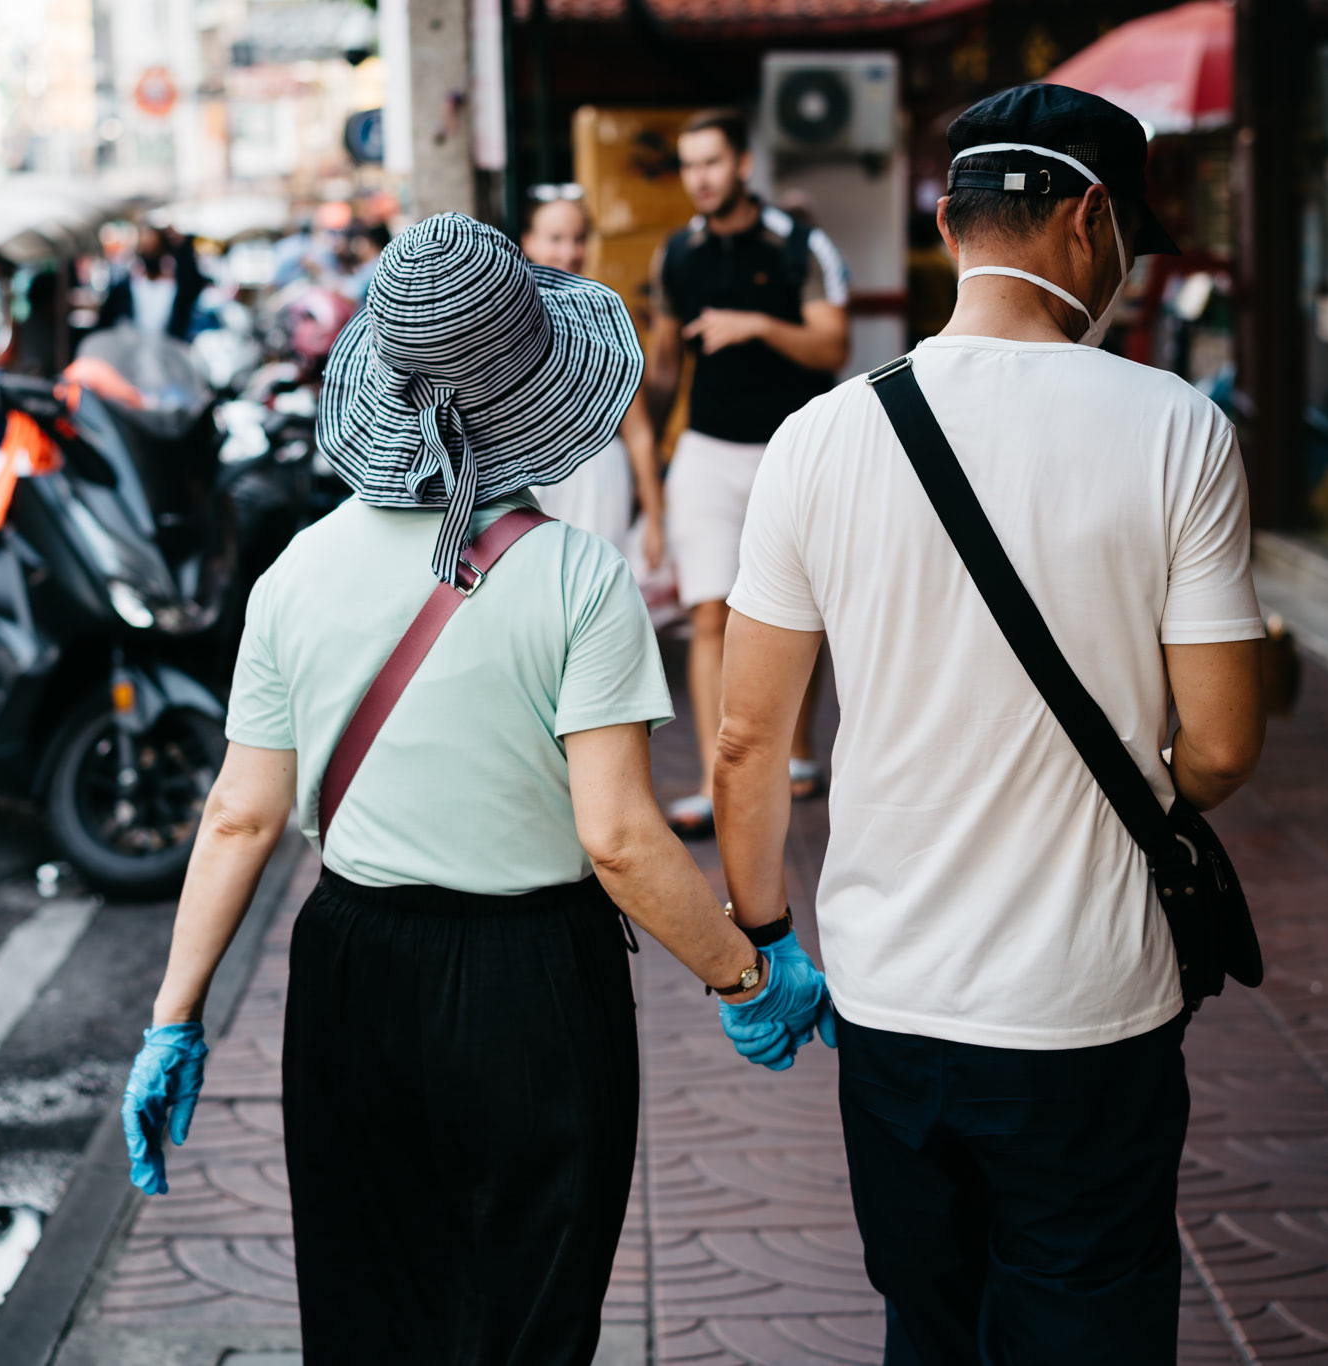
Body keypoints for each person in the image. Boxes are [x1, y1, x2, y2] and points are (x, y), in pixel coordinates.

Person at [119, 215, 833, 1363]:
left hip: (353, 969)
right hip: (538, 985)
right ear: (534, 388)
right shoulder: (576, 576)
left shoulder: (296, 572)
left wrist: (173, 1017)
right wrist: (746, 972)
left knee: (369, 1312)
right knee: (531, 1322)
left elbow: (241, 814)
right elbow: (618, 838)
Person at [712, 85, 1267, 1362]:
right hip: (1090, 1006)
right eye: (1126, 229)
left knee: (931, 1320)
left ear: (957, 224)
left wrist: (763, 945)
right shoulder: (1177, 429)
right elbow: (1225, 747)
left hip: (888, 999)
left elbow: (746, 739)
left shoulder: (818, 438)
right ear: (1085, 221)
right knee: (1088, 1322)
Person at [645, 109, 848, 835]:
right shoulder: (676, 255)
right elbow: (666, 363)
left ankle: (795, 750)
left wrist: (757, 325)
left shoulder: (800, 246)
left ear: (742, 164)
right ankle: (713, 778)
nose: (698, 176)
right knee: (710, 613)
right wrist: (650, 457)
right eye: (688, 164)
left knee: (805, 609)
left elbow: (832, 347)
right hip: (705, 450)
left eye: (710, 161)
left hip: (793, 450)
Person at [520, 190, 665, 568]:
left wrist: (654, 518)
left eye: (579, 238)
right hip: (527, 480)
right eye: (556, 239)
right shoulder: (504, 318)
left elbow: (638, 430)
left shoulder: (609, 316)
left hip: (598, 478)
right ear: (529, 242)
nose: (569, 252)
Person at [98, 225, 206, 341]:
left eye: (155, 248)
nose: (150, 253)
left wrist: (184, 242)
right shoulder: (125, 287)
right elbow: (106, 324)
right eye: (145, 248)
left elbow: (196, 281)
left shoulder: (176, 288)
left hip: (166, 354)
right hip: (131, 353)